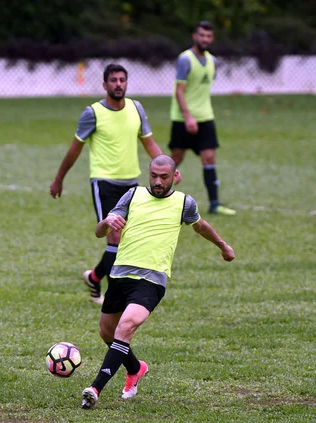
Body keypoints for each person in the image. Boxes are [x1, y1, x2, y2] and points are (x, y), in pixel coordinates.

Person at [81, 154, 235, 409]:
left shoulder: (184, 203)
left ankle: (95, 388)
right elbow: (99, 232)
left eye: (164, 177)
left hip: (151, 280)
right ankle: (136, 368)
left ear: (174, 176)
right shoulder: (132, 196)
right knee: (106, 332)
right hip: (120, 276)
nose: (158, 181)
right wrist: (107, 222)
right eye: (153, 176)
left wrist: (223, 246)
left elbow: (200, 226)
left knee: (125, 327)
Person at [50, 63, 173, 304]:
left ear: (126, 83)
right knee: (115, 238)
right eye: (114, 80)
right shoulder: (93, 113)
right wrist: (59, 179)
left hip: (131, 184)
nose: (118, 84)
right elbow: (75, 149)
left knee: (126, 240)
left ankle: (95, 278)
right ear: (105, 85)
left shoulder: (136, 108)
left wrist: (168, 168)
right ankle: (114, 296)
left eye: (122, 80)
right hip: (104, 183)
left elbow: (149, 142)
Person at [169, 21, 236, 216]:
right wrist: (188, 117)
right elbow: (179, 92)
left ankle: (215, 203)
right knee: (176, 159)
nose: (205, 39)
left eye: (208, 36)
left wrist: (198, 116)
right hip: (183, 119)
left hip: (206, 117)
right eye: (202, 35)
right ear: (194, 36)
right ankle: (153, 195)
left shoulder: (213, 61)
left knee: (209, 157)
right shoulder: (185, 59)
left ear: (212, 38)